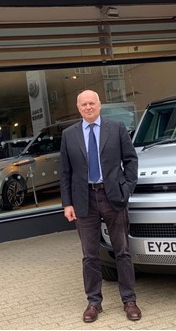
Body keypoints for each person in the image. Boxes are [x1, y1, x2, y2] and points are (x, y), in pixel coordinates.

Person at [59, 90, 141, 323]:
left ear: (99, 105)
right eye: (83, 104)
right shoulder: (69, 134)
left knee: (122, 251)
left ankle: (129, 300)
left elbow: (131, 160)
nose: (88, 107)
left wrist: (126, 189)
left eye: (91, 103)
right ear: (78, 107)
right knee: (90, 256)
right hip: (84, 200)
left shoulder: (116, 128)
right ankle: (94, 302)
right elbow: (65, 172)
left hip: (113, 196)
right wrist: (67, 204)